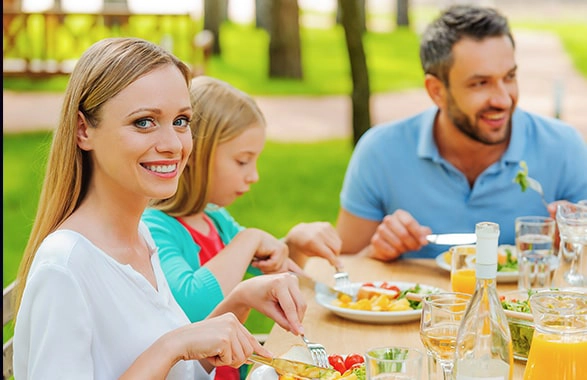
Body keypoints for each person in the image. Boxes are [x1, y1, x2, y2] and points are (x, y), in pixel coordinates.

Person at [12, 37, 307, 380]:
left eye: (181, 121)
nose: (173, 145)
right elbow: (172, 352)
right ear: (83, 130)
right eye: (143, 122)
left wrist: (240, 299)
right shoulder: (64, 269)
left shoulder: (141, 236)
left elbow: (182, 371)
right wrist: (172, 345)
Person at [335, 5, 587, 261]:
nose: (503, 100)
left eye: (509, 77)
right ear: (436, 91)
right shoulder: (380, 152)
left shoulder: (565, 148)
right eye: (480, 83)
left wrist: (574, 247)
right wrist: (376, 252)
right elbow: (343, 271)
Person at [142, 76, 342, 379]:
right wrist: (250, 238)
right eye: (242, 161)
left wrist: (292, 245)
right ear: (195, 153)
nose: (254, 176)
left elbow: (271, 278)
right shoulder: (155, 227)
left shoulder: (215, 219)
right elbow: (194, 309)